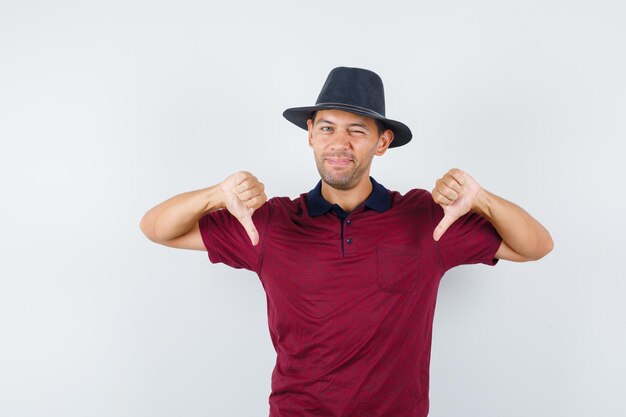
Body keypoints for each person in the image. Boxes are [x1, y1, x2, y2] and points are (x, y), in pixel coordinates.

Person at [140, 67, 553, 417]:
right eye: (327, 128)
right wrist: (214, 194)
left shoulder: (427, 219)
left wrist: (482, 199)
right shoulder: (270, 223)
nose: (339, 143)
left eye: (357, 130)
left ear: (382, 142)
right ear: (310, 136)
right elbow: (158, 228)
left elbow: (535, 246)